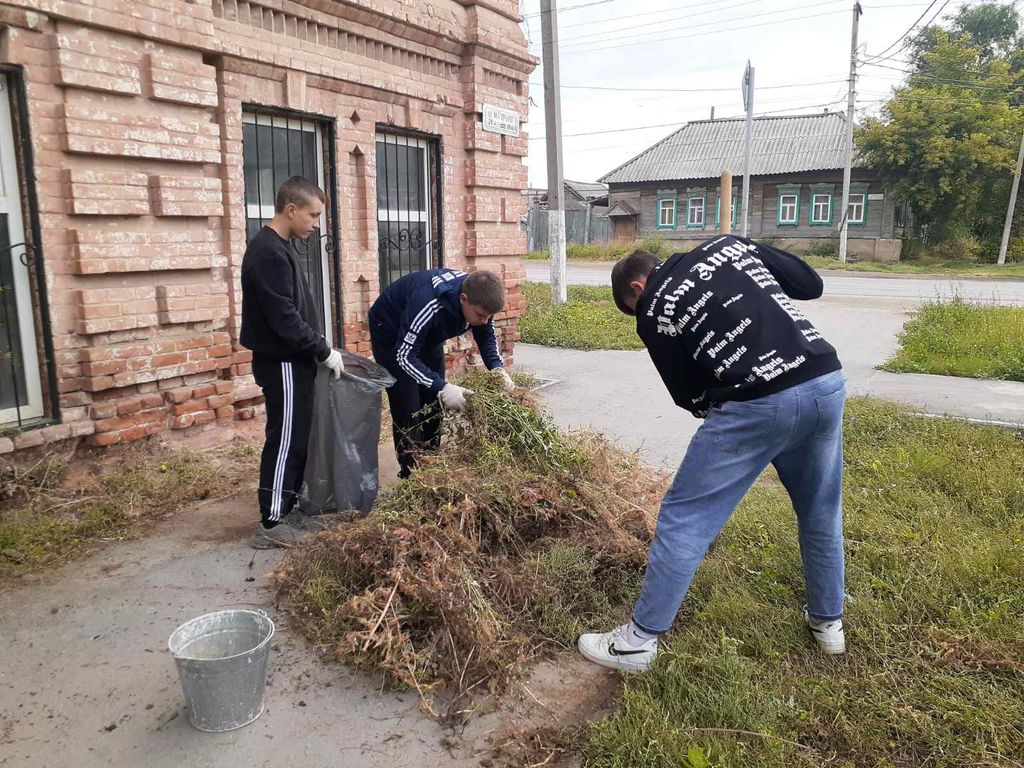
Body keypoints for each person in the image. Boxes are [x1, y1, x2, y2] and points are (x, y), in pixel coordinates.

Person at [578, 235, 848, 673]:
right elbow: (809, 284)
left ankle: (637, 643)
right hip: (824, 382)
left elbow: (688, 394)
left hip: (757, 402)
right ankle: (828, 623)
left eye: (633, 309)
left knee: (685, 518)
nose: (639, 315)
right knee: (821, 509)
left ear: (635, 289)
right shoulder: (727, 246)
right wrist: (745, 249)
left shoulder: (654, 307)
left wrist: (733, 416)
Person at [240, 176, 345, 549]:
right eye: (313, 215)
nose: (316, 224)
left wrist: (317, 348)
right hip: (282, 362)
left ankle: (288, 509)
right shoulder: (267, 252)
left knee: (297, 437)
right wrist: (321, 349)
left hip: (293, 361)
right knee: (285, 440)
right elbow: (283, 319)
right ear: (291, 209)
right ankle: (271, 523)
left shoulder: (280, 247)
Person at [369, 268, 513, 478]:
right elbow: (404, 356)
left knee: (432, 404)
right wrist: (443, 387)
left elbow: (486, 336)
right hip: (391, 335)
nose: (485, 320)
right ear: (463, 299)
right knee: (408, 407)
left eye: (488, 316)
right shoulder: (429, 302)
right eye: (481, 315)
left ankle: (431, 465)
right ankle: (411, 476)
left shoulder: (479, 297)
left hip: (426, 336)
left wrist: (497, 368)